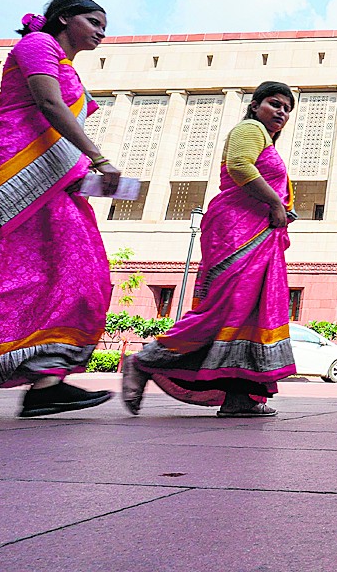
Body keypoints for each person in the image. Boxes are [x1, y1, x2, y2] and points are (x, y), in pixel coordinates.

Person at [0, 0, 118, 420]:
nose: (101, 31)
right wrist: (99, 158)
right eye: (92, 21)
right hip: (9, 167)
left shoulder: (69, 66)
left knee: (79, 270)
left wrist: (84, 175)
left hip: (55, 182)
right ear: (63, 19)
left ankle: (47, 382)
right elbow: (48, 103)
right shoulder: (37, 45)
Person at [122, 82, 298, 417]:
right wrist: (276, 203)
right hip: (237, 232)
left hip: (256, 233)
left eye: (287, 109)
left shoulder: (265, 138)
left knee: (246, 312)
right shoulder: (250, 128)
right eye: (275, 104)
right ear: (255, 105)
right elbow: (240, 166)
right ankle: (145, 361)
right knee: (225, 308)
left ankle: (240, 397)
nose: (282, 113)